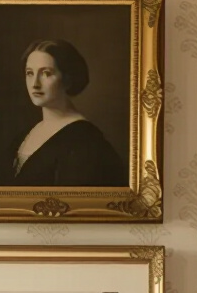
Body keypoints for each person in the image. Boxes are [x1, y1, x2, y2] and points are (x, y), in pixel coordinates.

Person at [7, 40, 127, 188]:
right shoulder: (25, 135)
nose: (35, 84)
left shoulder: (84, 141)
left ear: (67, 79)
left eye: (46, 73)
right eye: (30, 73)